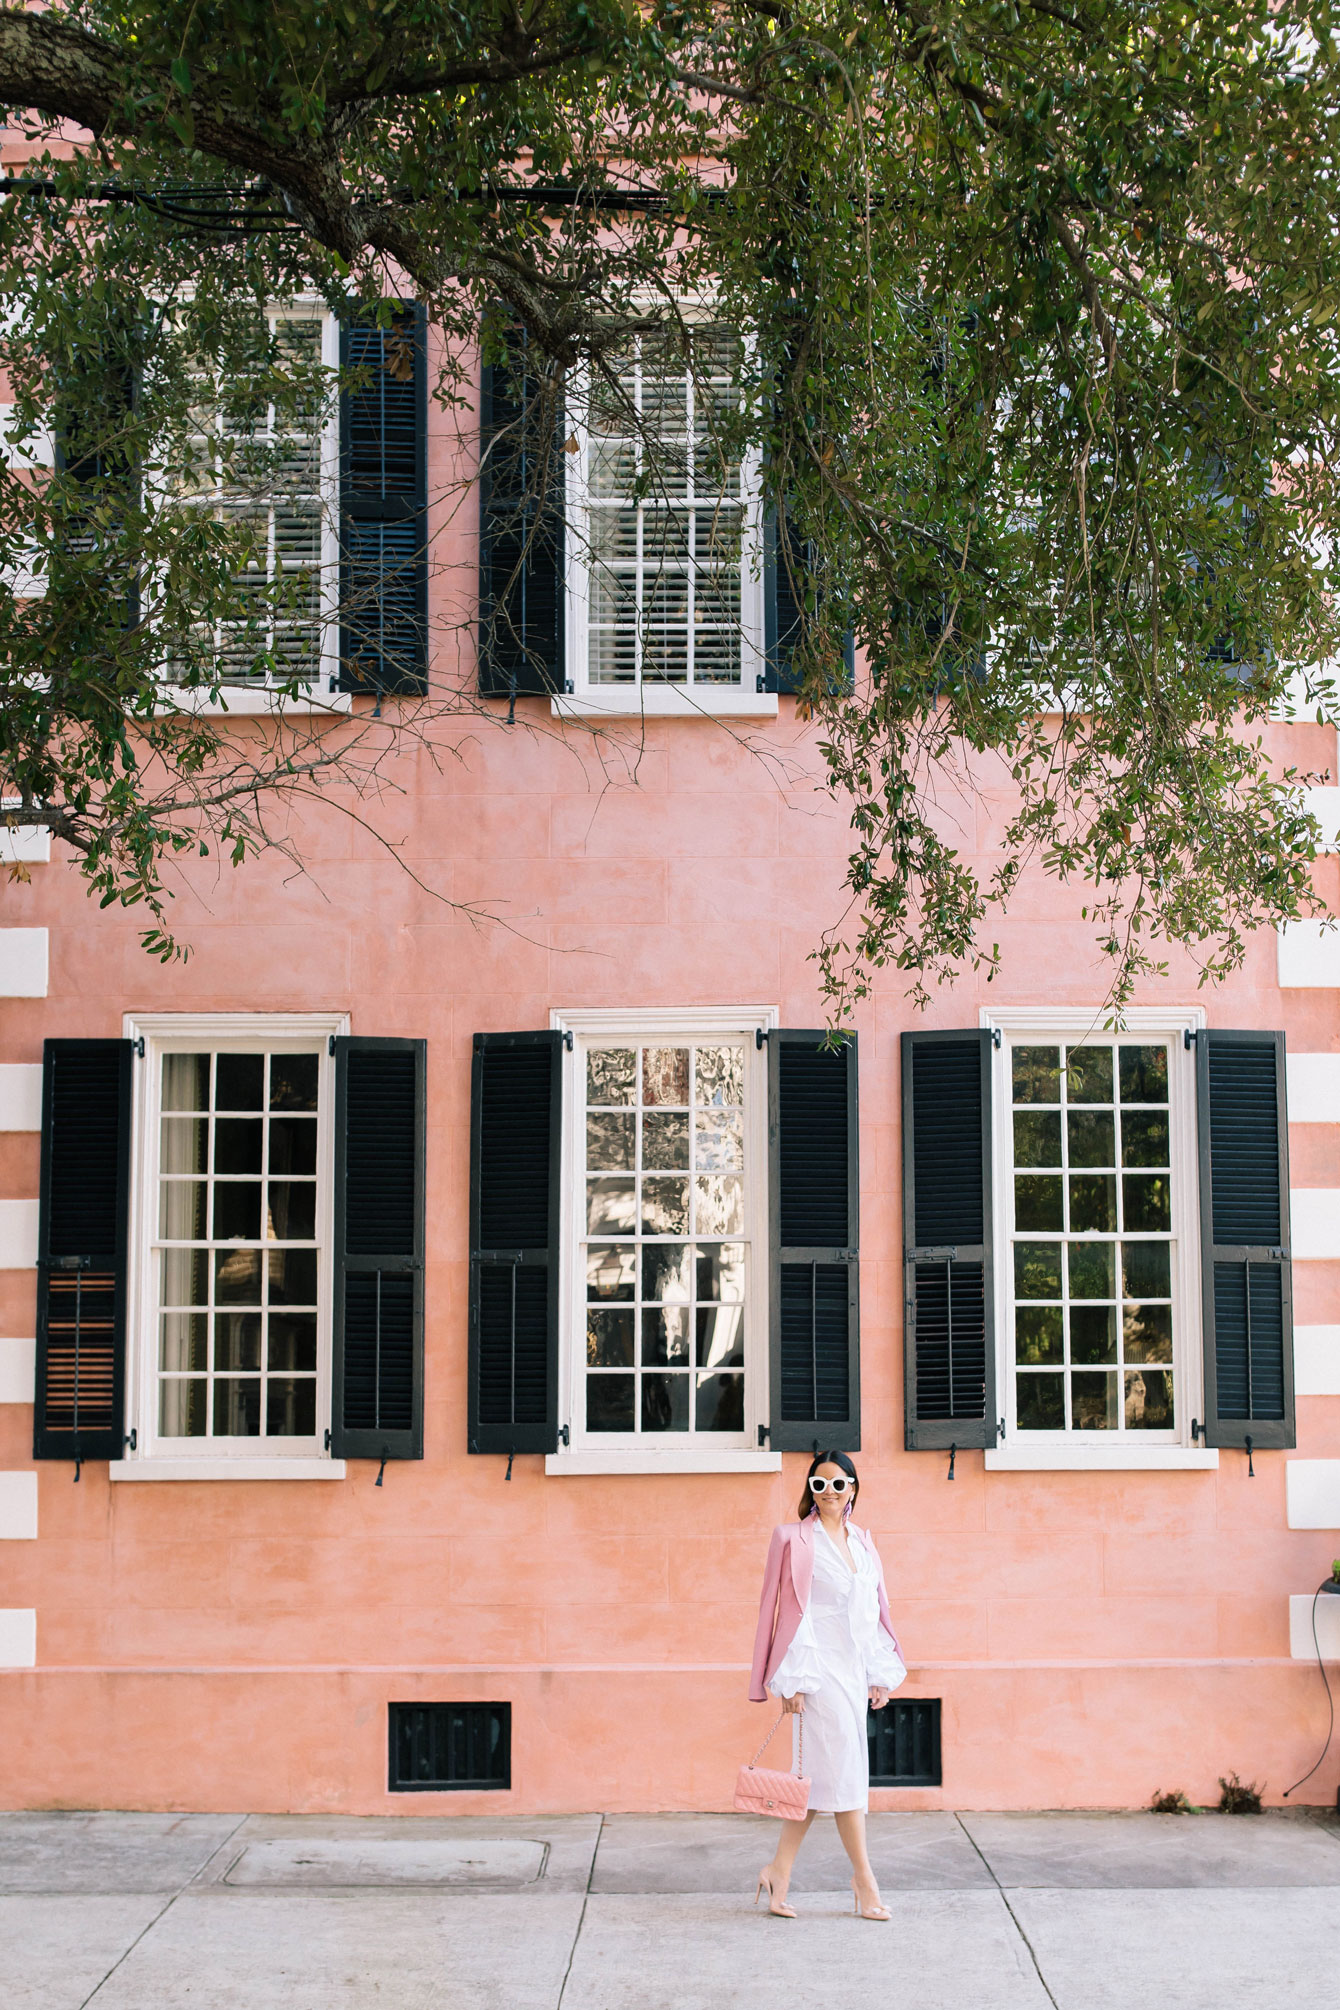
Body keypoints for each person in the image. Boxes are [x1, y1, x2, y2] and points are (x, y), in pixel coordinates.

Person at [748, 1450, 906, 1920]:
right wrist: (791, 1681)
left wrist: (879, 1672)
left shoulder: (862, 1541)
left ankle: (778, 1870)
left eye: (839, 1484)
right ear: (810, 1491)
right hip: (816, 1675)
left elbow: (875, 1611)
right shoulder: (792, 1539)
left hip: (854, 1670)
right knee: (847, 1778)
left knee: (822, 1781)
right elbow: (783, 1613)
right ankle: (864, 1880)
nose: (830, 1493)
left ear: (853, 1489)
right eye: (820, 1485)